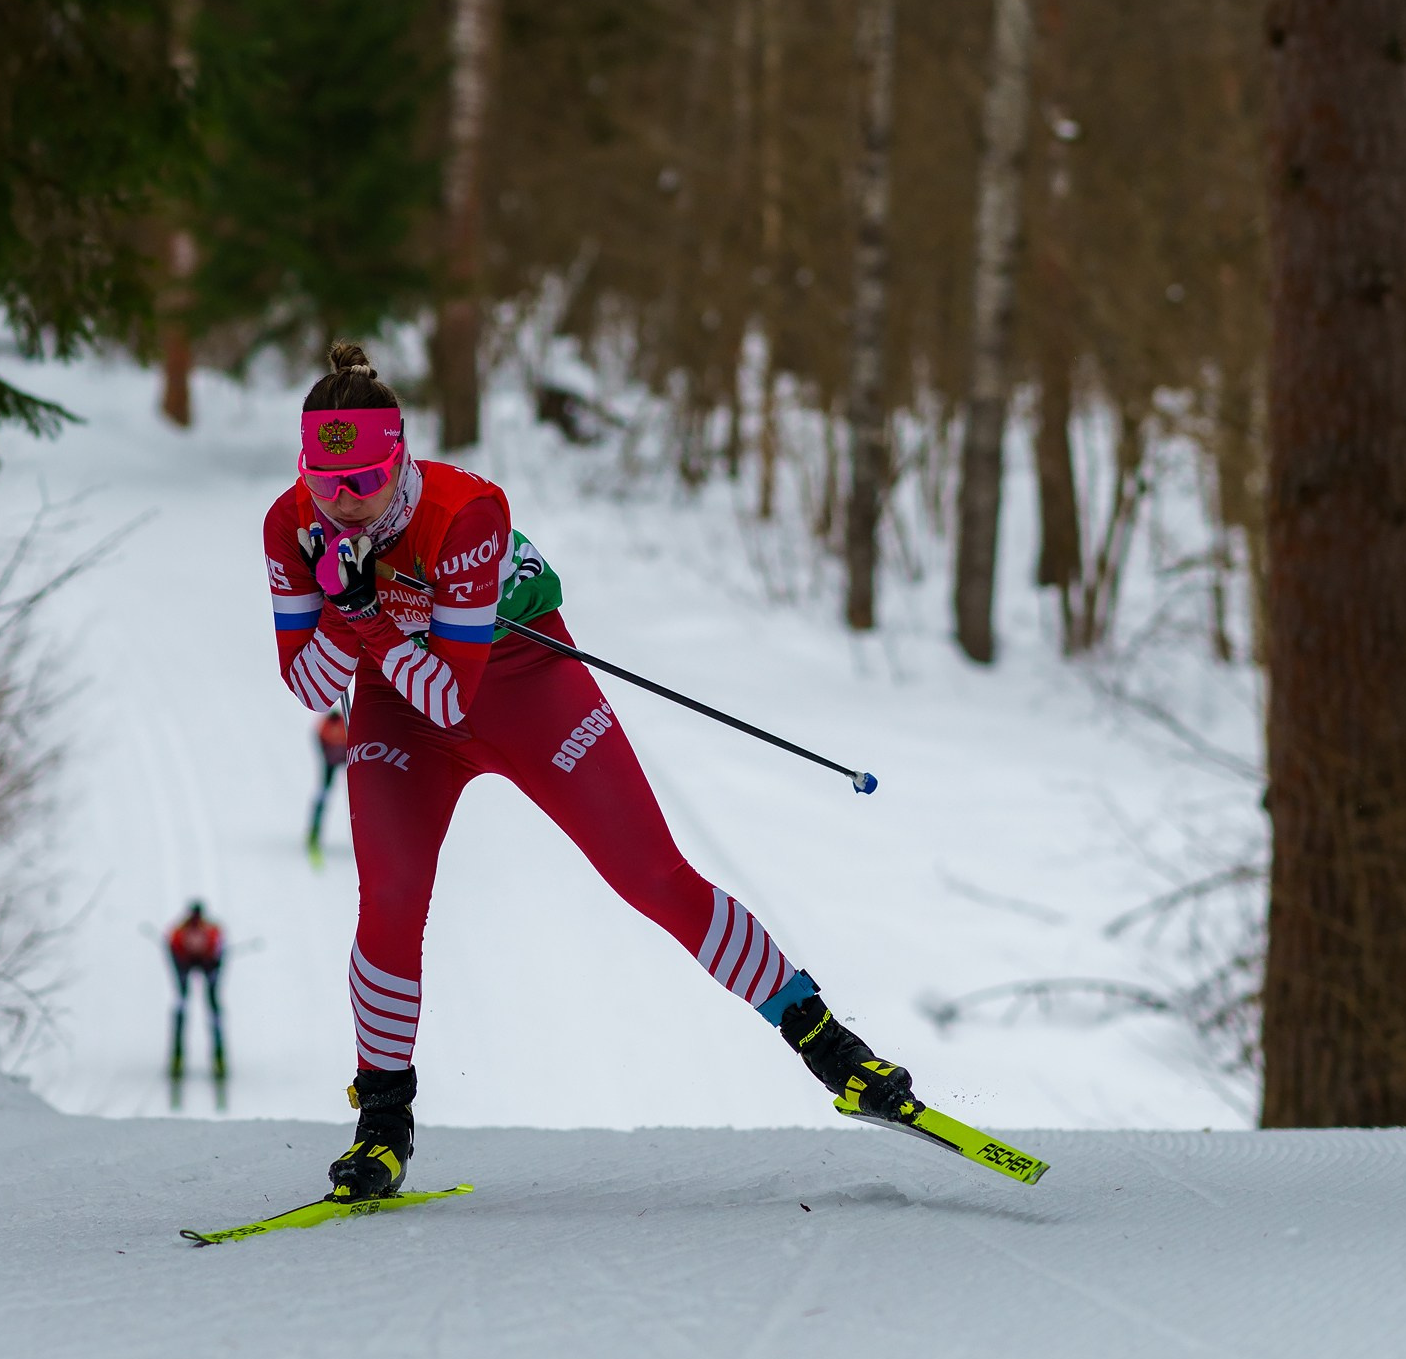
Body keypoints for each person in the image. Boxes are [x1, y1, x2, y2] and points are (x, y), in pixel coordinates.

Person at [265, 341, 936, 1202]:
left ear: (401, 462)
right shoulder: (292, 524)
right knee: (390, 901)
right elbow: (310, 684)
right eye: (326, 485)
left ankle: (833, 1050)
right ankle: (382, 1127)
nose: (345, 504)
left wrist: (359, 614)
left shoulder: (466, 514)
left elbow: (451, 698)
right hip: (397, 698)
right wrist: (358, 617)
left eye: (365, 482)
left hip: (516, 683)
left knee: (653, 876)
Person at [165, 901, 226, 1083]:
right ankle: (177, 1056)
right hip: (186, 964)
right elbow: (172, 948)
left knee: (213, 1008)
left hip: (207, 965)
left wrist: (214, 970)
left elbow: (220, 950)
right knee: (182, 1006)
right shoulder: (180, 930)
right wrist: (180, 972)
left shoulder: (211, 930)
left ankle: (218, 1056)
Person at [306, 700, 349, 866]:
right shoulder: (325, 727)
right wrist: (326, 758)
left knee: (354, 796)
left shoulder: (335, 726)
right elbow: (318, 740)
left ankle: (363, 834)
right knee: (324, 793)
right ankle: (314, 831)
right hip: (331, 760)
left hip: (342, 757)